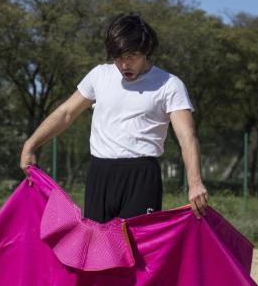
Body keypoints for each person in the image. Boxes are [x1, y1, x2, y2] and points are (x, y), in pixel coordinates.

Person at [20, 12, 209, 221]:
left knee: (134, 247)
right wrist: (31, 144)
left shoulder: (169, 85)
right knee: (99, 249)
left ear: (146, 51)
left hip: (141, 175)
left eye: (132, 56)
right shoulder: (99, 75)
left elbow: (187, 136)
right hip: (100, 174)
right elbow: (66, 113)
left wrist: (195, 182)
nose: (125, 65)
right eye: (119, 58)